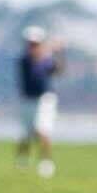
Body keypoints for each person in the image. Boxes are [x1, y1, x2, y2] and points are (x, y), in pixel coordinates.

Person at [14, 26, 63, 178]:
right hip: (28, 99)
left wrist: (57, 53)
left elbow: (58, 70)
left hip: (44, 100)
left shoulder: (47, 59)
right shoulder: (24, 61)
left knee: (42, 130)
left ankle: (46, 162)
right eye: (31, 43)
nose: (32, 46)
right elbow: (35, 67)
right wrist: (50, 50)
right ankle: (22, 160)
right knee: (26, 133)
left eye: (35, 43)